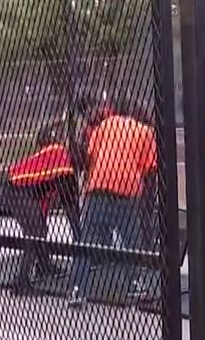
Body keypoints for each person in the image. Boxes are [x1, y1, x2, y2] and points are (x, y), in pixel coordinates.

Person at [68, 98, 158, 308]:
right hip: (125, 187)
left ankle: (77, 290)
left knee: (86, 241)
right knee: (131, 239)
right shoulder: (145, 131)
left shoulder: (105, 125)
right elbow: (148, 169)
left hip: (97, 186)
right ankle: (135, 284)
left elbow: (91, 156)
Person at [6, 122, 82, 296]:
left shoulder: (56, 167)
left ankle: (44, 266)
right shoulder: (59, 153)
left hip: (25, 191)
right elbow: (68, 199)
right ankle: (21, 282)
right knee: (35, 233)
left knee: (40, 229)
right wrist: (78, 230)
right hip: (16, 188)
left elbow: (58, 196)